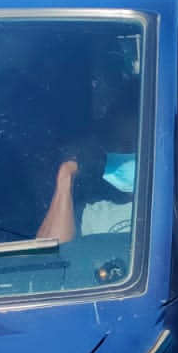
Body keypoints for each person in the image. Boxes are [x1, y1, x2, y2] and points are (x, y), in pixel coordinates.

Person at [37, 82, 140, 243]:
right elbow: (50, 257)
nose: (127, 151)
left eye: (135, 145)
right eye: (120, 144)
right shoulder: (89, 212)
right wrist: (66, 175)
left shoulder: (171, 207)